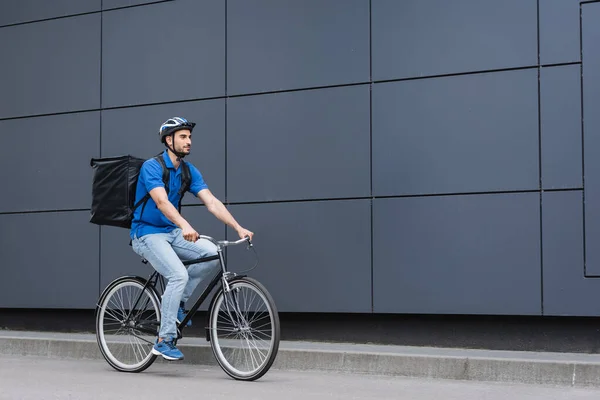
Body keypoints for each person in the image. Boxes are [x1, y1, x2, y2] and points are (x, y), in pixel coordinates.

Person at [130, 116, 254, 361]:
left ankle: (176, 304)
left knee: (211, 254)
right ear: (169, 140)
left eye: (190, 137)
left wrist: (238, 227)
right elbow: (161, 202)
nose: (189, 141)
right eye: (183, 137)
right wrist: (185, 224)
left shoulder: (188, 171)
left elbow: (212, 202)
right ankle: (164, 340)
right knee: (178, 274)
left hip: (172, 233)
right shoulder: (152, 167)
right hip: (146, 233)